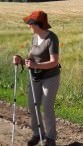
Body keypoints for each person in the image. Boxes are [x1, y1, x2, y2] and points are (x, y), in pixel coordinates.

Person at [13, 10, 61, 146]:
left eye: (30, 23)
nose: (28, 26)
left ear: (36, 24)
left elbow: (54, 62)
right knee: (32, 106)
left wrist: (36, 65)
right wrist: (20, 60)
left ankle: (50, 138)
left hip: (50, 77)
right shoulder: (34, 38)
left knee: (47, 107)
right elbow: (31, 59)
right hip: (35, 77)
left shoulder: (51, 38)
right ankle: (37, 134)